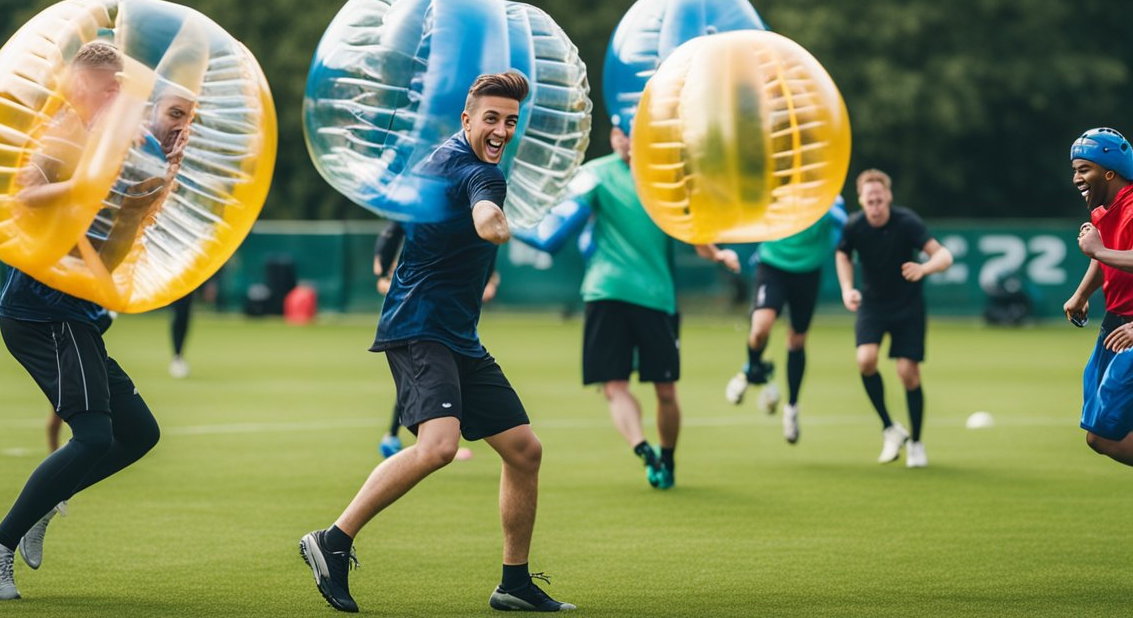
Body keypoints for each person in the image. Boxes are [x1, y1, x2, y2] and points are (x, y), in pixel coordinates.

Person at [300, 72, 575, 613]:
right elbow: (483, 210)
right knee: (439, 447)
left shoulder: (438, 157)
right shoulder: (481, 174)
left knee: (524, 451)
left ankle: (513, 584)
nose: (501, 131)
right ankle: (332, 542)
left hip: (453, 333)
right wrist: (494, 223)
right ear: (467, 118)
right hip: (423, 328)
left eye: (511, 121)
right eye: (491, 118)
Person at [0, 40, 164, 601]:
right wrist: (84, 185)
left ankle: (38, 509)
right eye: (104, 86)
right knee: (95, 435)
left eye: (119, 85)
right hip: (42, 309)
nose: (115, 94)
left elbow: (109, 256)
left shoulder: (122, 148)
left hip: (77, 313)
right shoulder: (65, 134)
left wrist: (133, 209)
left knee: (140, 433)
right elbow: (22, 197)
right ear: (78, 85)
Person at [515, 125, 739, 490]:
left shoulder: (668, 179)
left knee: (665, 390)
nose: (623, 140)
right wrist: (513, 219)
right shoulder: (594, 175)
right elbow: (556, 231)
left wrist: (718, 254)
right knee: (613, 385)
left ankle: (666, 457)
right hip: (606, 292)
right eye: (618, 132)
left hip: (656, 296)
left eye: (632, 133)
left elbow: (693, 233)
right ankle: (643, 449)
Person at [835, 169, 953, 468]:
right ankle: (890, 428)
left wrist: (924, 269)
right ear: (861, 200)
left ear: (887, 196)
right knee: (865, 360)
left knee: (907, 373)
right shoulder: (854, 226)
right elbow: (842, 255)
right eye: (869, 200)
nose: (874, 205)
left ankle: (915, 442)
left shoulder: (906, 222)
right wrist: (848, 288)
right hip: (872, 304)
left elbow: (944, 256)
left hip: (907, 306)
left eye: (879, 198)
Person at [725, 198, 848, 444]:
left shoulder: (829, 196)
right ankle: (752, 370)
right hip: (773, 265)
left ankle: (791, 408)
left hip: (808, 271)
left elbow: (843, 224)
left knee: (797, 341)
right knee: (761, 327)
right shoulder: (778, 188)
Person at [373, 220, 486, 461]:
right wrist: (384, 271)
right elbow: (390, 236)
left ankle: (404, 437)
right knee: (427, 384)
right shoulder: (433, 206)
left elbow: (389, 236)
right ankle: (429, 440)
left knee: (425, 384)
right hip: (421, 318)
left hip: (442, 319)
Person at [1063, 127, 1133, 466]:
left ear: (1110, 171)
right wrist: (1080, 295)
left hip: (1131, 330)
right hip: (1114, 326)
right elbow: (1104, 256)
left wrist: (1099, 250)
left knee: (1105, 434)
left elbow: (1103, 251)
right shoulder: (1102, 211)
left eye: (1083, 169)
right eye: (1075, 170)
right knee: (1098, 433)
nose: (1076, 177)